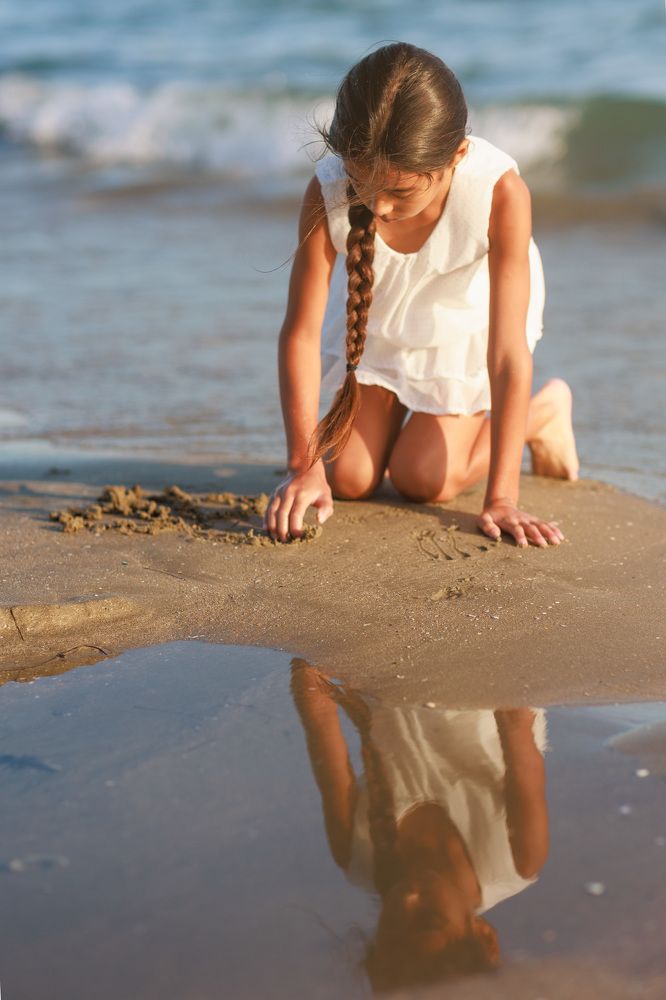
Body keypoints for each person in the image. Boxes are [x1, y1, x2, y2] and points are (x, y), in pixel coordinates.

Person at [264, 42, 579, 547]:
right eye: (362, 182)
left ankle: (544, 411)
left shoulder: (499, 194)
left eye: (401, 192)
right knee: (347, 478)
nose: (380, 206)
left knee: (424, 481)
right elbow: (299, 334)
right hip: (378, 323)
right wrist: (302, 467)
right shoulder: (326, 192)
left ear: (456, 155)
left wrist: (501, 497)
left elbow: (506, 353)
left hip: (463, 328)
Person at [290, 659, 549, 991]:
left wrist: (325, 653)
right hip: (480, 688)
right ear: (483, 935)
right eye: (428, 919)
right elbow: (515, 714)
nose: (407, 899)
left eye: (389, 926)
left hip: (384, 676)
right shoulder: (518, 857)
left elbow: (317, 712)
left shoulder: (354, 852)